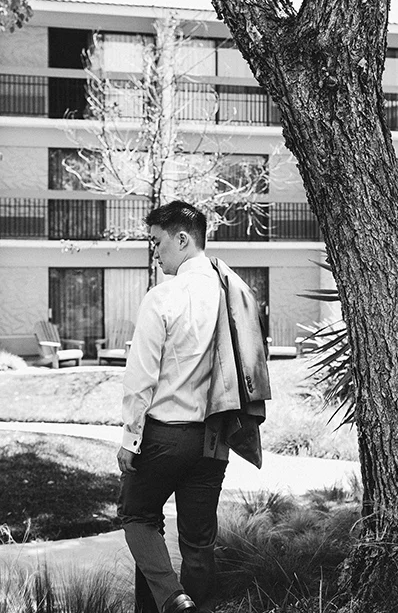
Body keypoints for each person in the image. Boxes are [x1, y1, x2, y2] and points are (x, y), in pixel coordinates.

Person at [117, 200, 268, 613]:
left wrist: (130, 439)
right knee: (199, 542)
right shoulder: (232, 294)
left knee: (138, 517)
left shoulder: (162, 297)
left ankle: (172, 599)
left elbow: (140, 378)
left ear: (182, 239)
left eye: (157, 242)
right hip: (215, 438)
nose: (155, 251)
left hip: (164, 437)